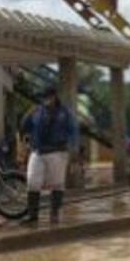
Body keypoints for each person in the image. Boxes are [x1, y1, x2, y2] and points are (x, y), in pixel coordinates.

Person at [19, 86, 77, 225]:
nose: (46, 99)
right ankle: (33, 216)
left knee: (57, 184)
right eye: (43, 97)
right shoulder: (36, 111)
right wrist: (28, 114)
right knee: (32, 182)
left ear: (54, 96)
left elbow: (73, 131)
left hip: (57, 151)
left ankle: (54, 213)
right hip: (37, 151)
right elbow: (24, 126)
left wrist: (73, 149)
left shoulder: (64, 113)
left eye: (48, 96)